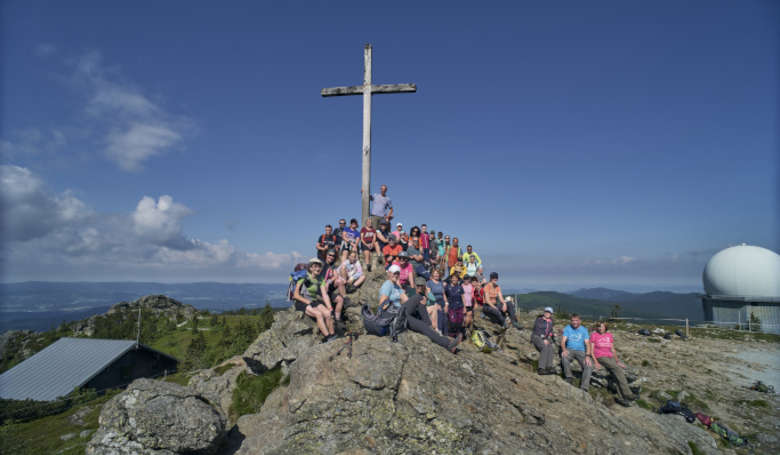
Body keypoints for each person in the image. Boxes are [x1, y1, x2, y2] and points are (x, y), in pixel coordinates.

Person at [404, 285, 462, 353]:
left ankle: (449, 345)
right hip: (402, 314)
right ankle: (448, 343)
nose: (419, 287)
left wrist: (426, 295)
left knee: (426, 323)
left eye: (421, 286)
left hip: (411, 315)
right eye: (418, 285)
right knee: (419, 299)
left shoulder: (421, 294)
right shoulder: (406, 290)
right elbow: (404, 301)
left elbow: (432, 300)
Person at [591, 322, 638, 406]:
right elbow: (591, 350)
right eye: (598, 327)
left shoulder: (609, 335)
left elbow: (612, 349)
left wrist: (617, 361)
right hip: (600, 356)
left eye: (601, 326)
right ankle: (627, 394)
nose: (599, 328)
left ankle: (622, 398)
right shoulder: (594, 335)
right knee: (617, 369)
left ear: (605, 327)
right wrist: (596, 362)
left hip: (610, 356)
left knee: (616, 373)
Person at [293, 259, 338, 342]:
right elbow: (295, 295)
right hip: (301, 302)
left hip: (313, 301)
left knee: (328, 314)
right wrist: (308, 302)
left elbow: (325, 295)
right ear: (310, 268)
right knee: (318, 314)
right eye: (315, 266)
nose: (318, 269)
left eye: (319, 267)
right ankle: (327, 337)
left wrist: (330, 308)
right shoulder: (303, 277)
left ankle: (332, 335)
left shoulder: (320, 279)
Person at [561, 314, 593, 391]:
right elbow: (563, 341)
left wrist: (588, 356)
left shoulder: (584, 330)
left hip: (581, 351)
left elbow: (588, 344)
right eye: (573, 320)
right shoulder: (567, 328)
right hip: (570, 349)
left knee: (588, 365)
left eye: (576, 320)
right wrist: (564, 349)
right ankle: (569, 377)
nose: (574, 322)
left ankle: (584, 387)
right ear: (571, 321)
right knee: (564, 357)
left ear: (580, 321)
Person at [532, 307, 556, 375]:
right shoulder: (539, 320)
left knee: (551, 348)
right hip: (536, 336)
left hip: (545, 338)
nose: (547, 313)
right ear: (544, 312)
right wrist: (544, 339)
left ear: (551, 314)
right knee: (544, 348)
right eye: (546, 312)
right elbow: (537, 330)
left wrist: (553, 334)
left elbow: (550, 330)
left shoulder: (550, 321)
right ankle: (541, 368)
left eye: (549, 312)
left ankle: (549, 367)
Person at [426, 269, 447, 333]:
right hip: (433, 302)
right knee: (439, 315)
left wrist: (446, 304)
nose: (436, 275)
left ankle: (445, 334)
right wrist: (436, 304)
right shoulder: (429, 283)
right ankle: (438, 331)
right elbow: (428, 294)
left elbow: (443, 294)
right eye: (435, 273)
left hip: (442, 302)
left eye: (437, 273)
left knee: (445, 318)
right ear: (432, 274)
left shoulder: (441, 283)